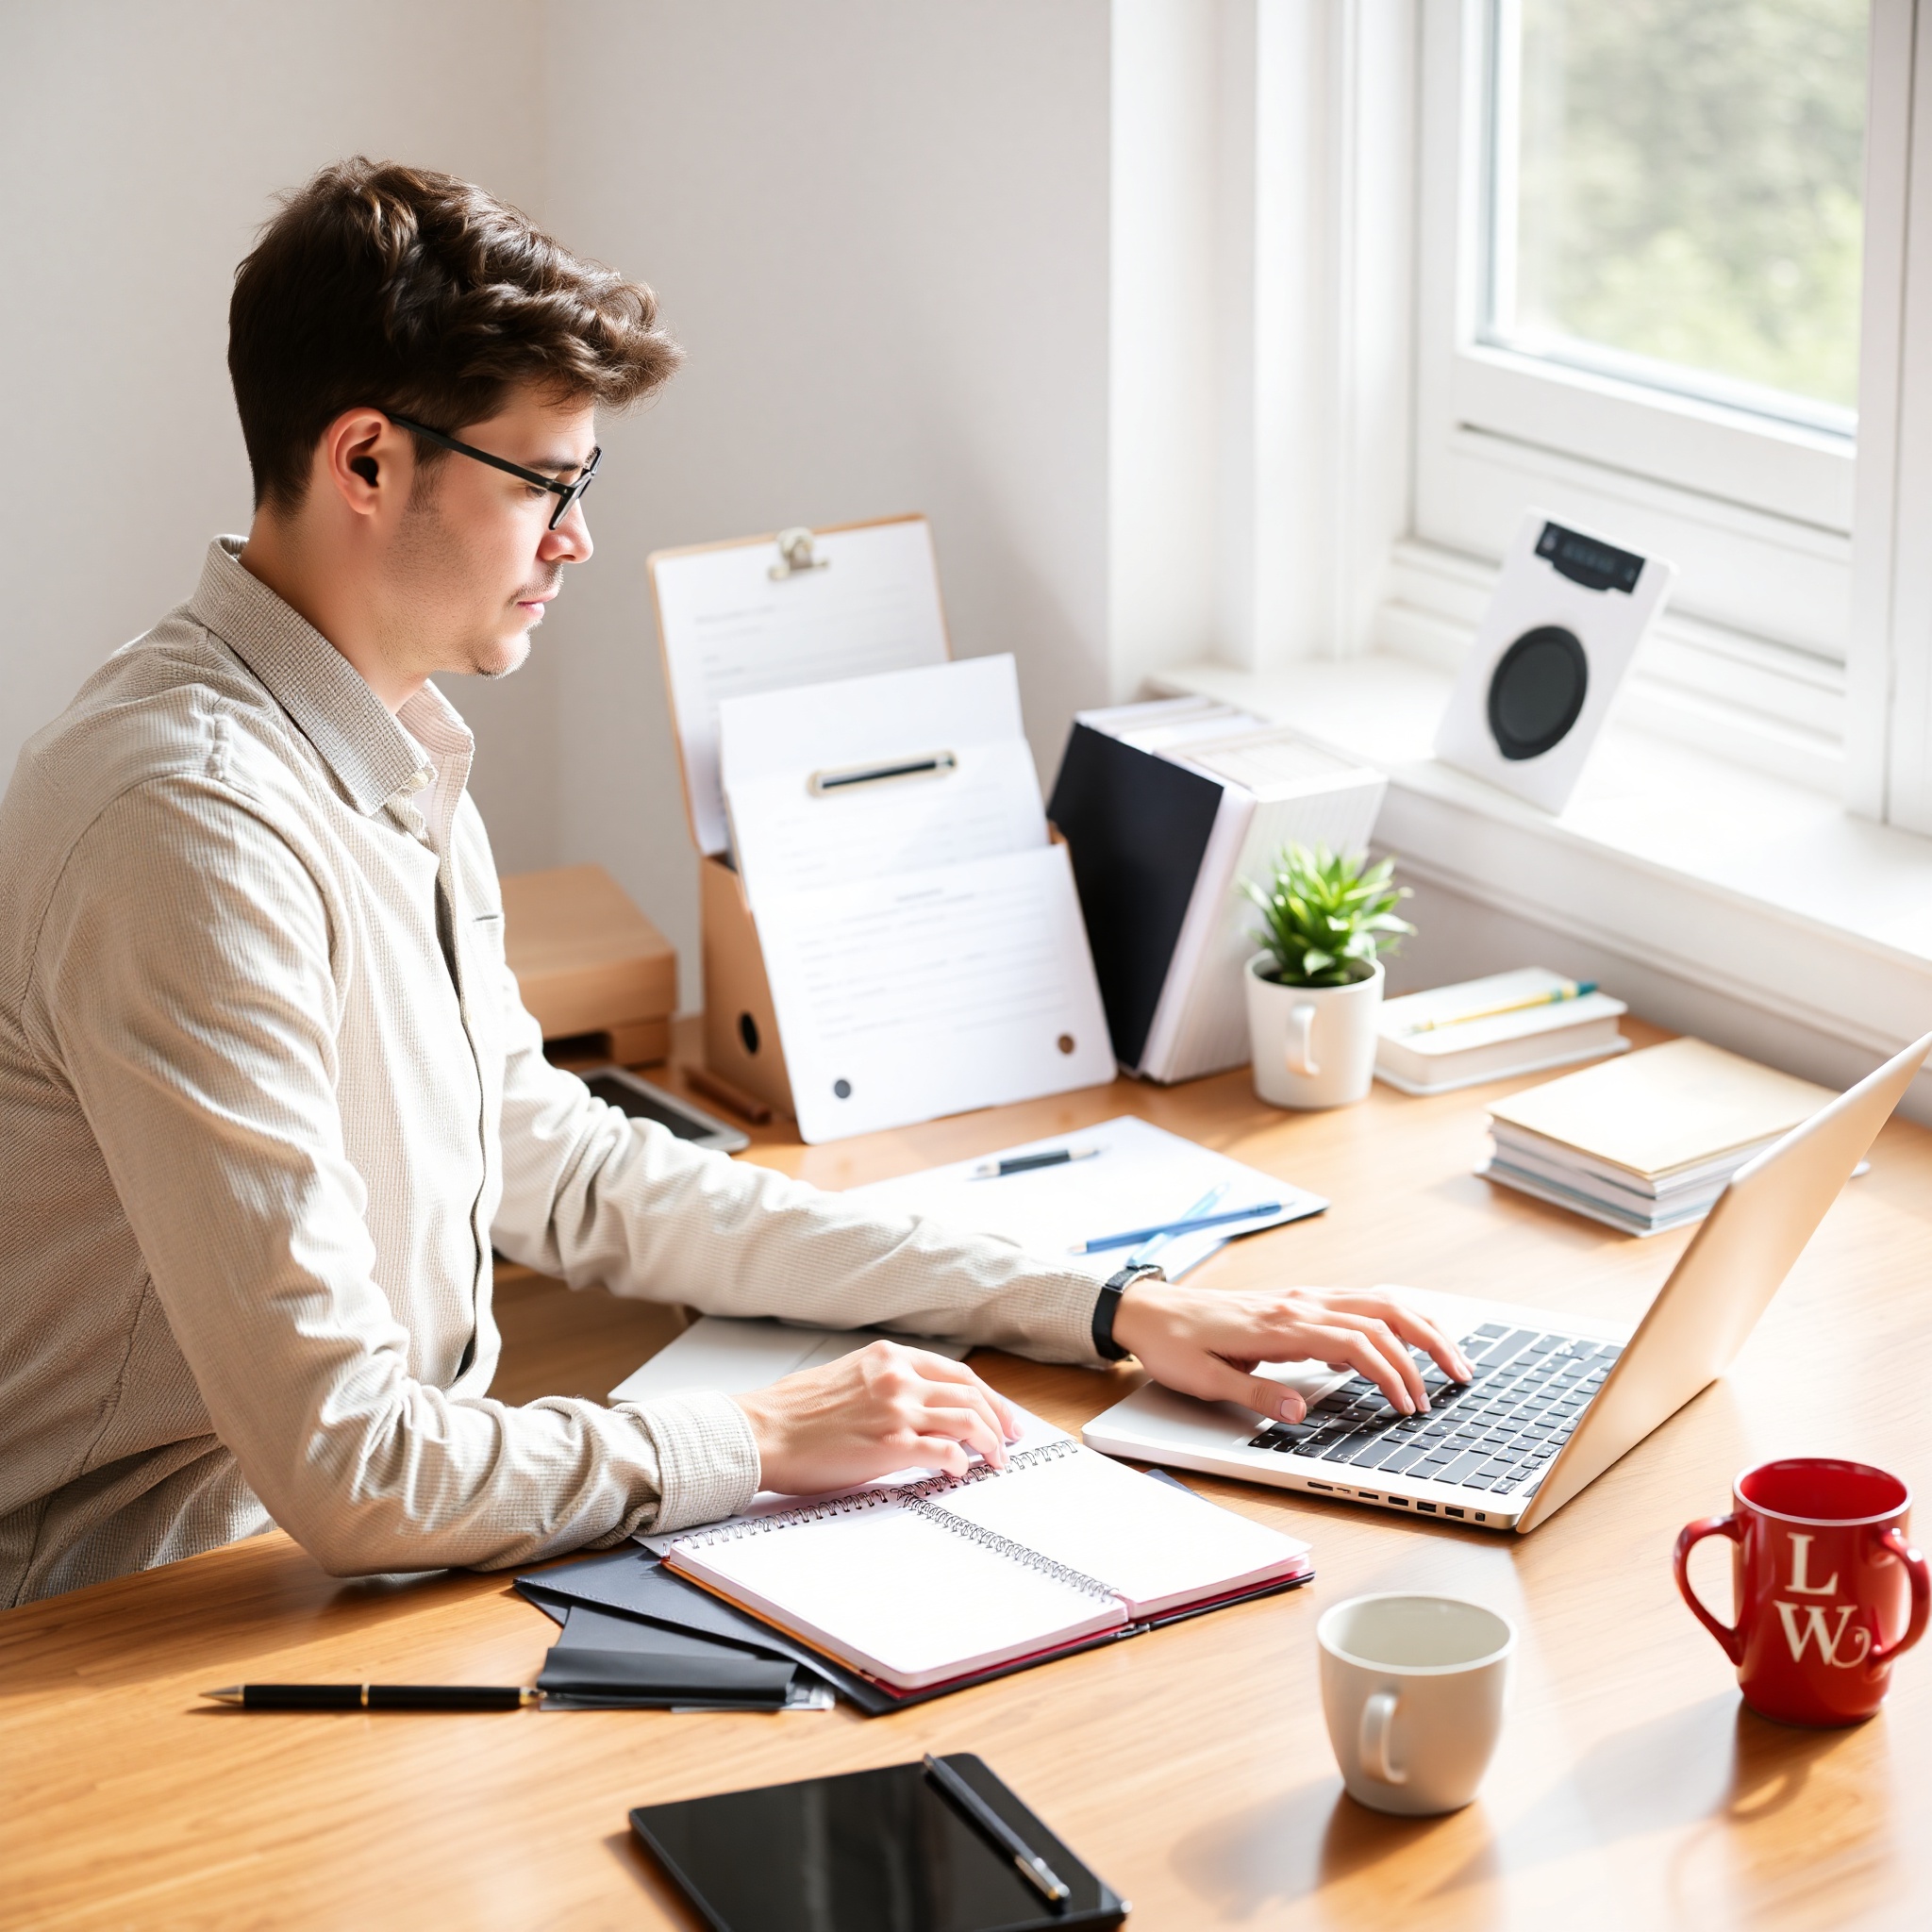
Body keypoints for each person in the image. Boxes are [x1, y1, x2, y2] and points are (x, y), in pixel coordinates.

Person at [0, 158, 1469, 1609]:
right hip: (126, 1621)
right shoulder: (187, 827)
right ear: (367, 461)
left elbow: (562, 1167)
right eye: (545, 485)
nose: (578, 538)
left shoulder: (387, 745)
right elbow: (354, 1468)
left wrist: (1102, 1303)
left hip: (349, 1562)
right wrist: (759, 1438)